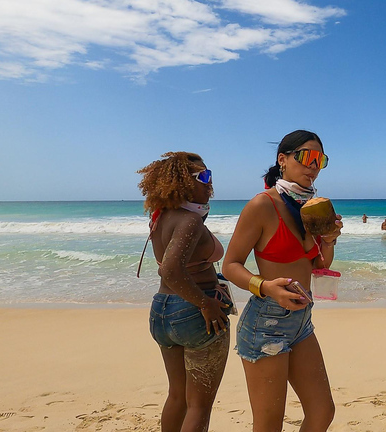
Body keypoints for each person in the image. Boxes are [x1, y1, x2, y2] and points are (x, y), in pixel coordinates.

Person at [222, 130, 342, 432]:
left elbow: (318, 264)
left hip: (302, 321)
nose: (314, 166)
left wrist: (328, 241)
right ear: (282, 160)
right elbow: (230, 264)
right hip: (266, 324)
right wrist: (264, 286)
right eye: (306, 157)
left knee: (322, 412)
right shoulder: (263, 206)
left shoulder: (309, 208)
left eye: (320, 160)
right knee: (268, 425)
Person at [136, 152, 232, 432]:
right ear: (181, 182)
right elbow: (170, 270)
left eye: (209, 175)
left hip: (162, 311)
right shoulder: (189, 220)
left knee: (177, 395)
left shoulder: (161, 218)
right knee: (199, 404)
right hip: (192, 314)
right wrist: (206, 304)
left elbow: (168, 270)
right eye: (202, 176)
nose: (209, 182)